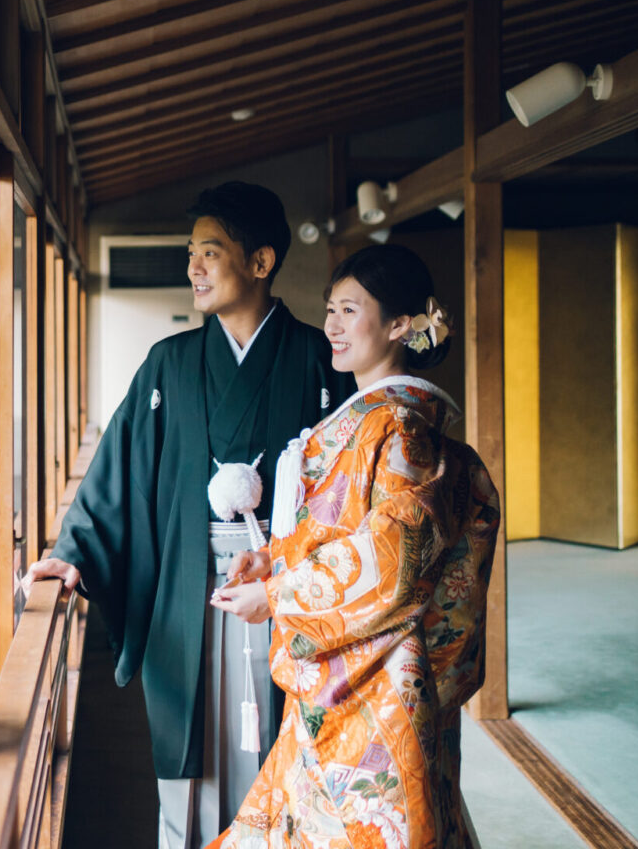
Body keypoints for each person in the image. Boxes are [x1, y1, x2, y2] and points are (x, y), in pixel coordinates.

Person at [24, 181, 353, 849]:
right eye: (191, 254)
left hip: (285, 588)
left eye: (210, 252)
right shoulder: (168, 365)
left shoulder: (320, 359)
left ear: (260, 263)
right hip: (185, 586)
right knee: (188, 759)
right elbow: (116, 473)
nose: (193, 268)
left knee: (289, 748)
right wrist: (76, 551)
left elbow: (349, 487)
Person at [207, 244, 499, 849]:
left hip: (381, 683)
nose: (332, 326)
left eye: (348, 310)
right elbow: (340, 535)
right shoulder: (371, 420)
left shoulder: (401, 428)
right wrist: (274, 560)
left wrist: (280, 595)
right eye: (330, 309)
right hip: (348, 667)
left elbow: (391, 562)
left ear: (399, 326)